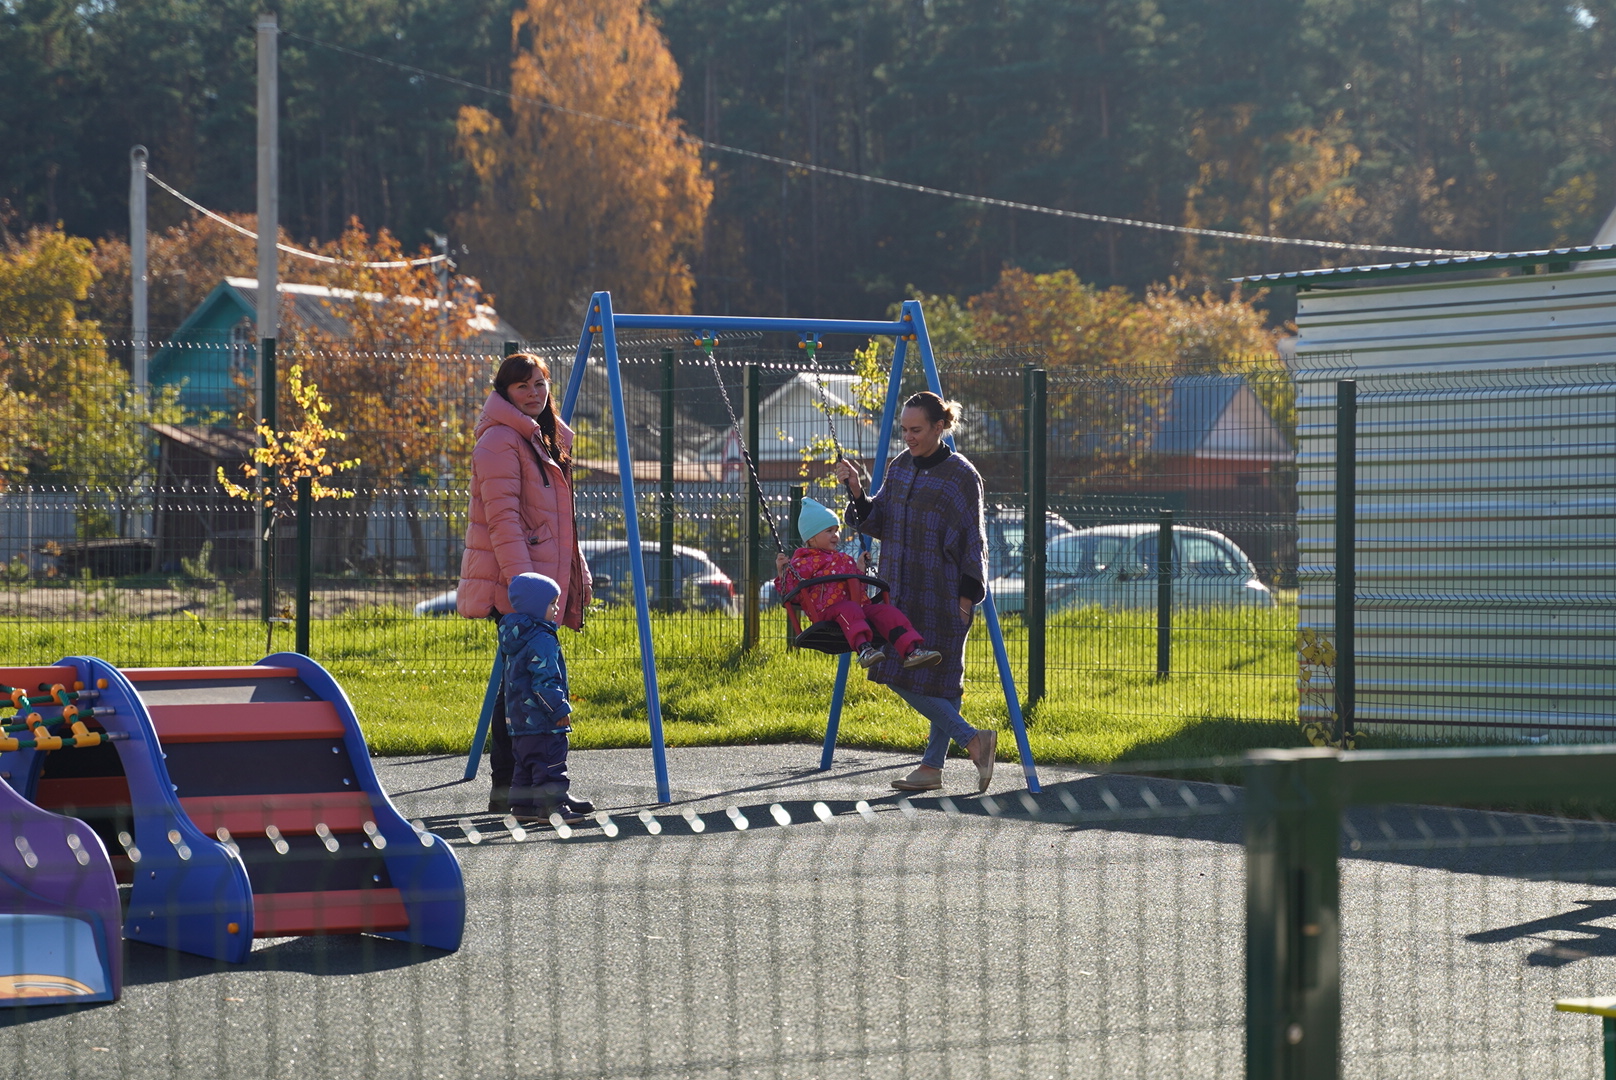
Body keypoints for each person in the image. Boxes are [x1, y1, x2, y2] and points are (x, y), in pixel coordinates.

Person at [835, 392, 998, 793]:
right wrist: (856, 490)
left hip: (943, 595)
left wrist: (965, 599)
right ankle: (972, 742)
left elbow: (972, 541)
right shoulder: (900, 466)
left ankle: (934, 766)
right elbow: (879, 521)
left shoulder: (962, 475)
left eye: (917, 430)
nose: (908, 437)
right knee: (891, 667)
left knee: (941, 681)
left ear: (940, 426)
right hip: (899, 594)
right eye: (904, 430)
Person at [459, 353, 591, 814]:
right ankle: (515, 785)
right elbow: (503, 520)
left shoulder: (543, 438)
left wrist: (574, 572)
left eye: (540, 384)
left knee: (520, 682)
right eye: (523, 387)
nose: (535, 393)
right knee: (523, 684)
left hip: (538, 578)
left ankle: (525, 787)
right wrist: (523, 584)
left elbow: (557, 520)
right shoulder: (500, 441)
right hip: (517, 581)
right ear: (504, 393)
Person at [772, 497, 942, 670]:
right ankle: (864, 650)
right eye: (829, 531)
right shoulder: (804, 562)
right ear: (812, 538)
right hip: (826, 612)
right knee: (849, 609)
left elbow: (857, 588)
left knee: (887, 611)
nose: (836, 536)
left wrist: (860, 568)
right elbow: (790, 592)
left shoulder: (844, 559)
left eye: (836, 530)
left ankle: (912, 651)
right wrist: (782, 572)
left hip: (856, 608)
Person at [499, 573, 591, 824]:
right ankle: (553, 806)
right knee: (550, 763)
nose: (557, 608)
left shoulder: (516, 635)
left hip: (519, 719)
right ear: (536, 607)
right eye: (552, 604)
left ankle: (522, 806)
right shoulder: (542, 639)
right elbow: (544, 681)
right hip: (542, 718)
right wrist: (559, 709)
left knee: (525, 764)